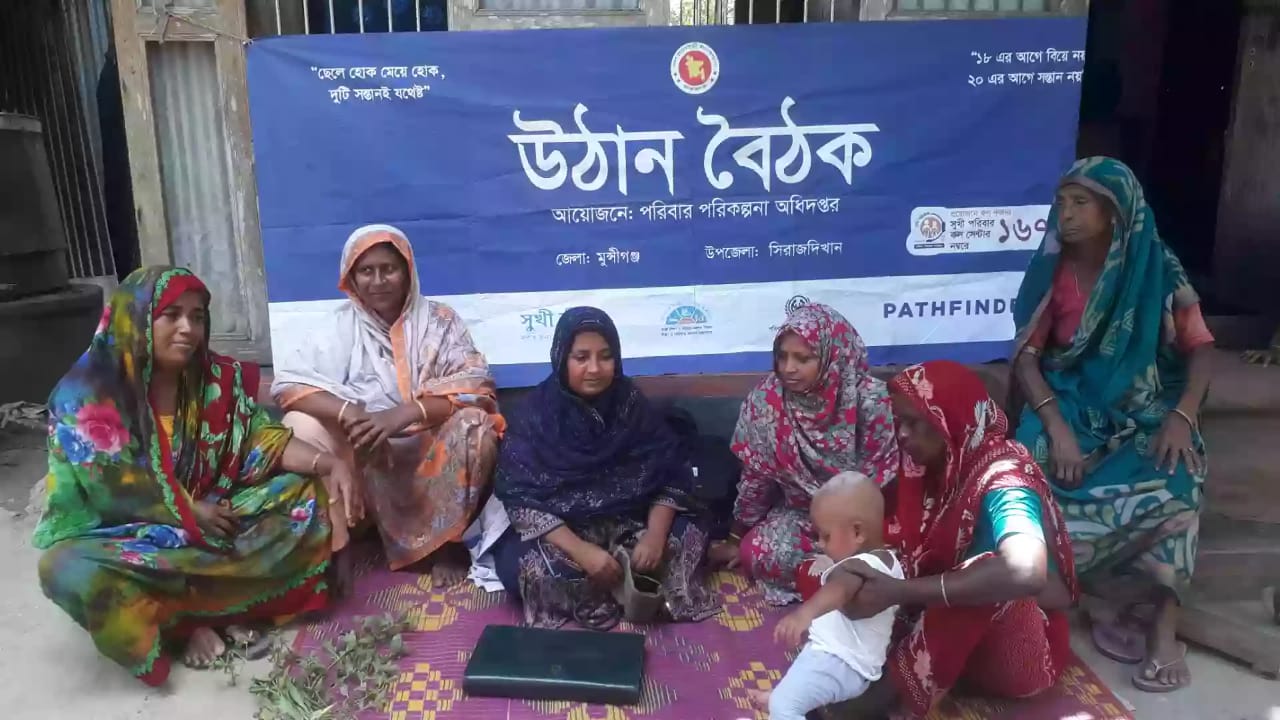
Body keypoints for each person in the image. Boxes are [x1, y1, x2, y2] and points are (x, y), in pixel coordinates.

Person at [34, 267, 360, 686]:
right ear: (135, 318)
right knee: (64, 567)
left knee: (303, 496)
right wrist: (189, 511)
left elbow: (259, 437)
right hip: (131, 534)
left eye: (198, 316)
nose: (188, 328)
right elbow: (112, 491)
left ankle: (215, 611)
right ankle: (179, 624)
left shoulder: (210, 378)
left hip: (212, 520)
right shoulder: (88, 391)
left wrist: (328, 463)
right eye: (171, 315)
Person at [1012, 157, 1212, 693]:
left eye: (1081, 203)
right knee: (1025, 469)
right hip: (1067, 399)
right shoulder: (1052, 268)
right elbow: (1026, 359)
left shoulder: (1156, 266)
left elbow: (1200, 348)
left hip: (1142, 406)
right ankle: (1091, 598)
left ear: (1116, 212)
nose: (1066, 215)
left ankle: (1163, 630)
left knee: (1180, 473)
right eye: (1062, 203)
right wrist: (1056, 427)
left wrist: (1181, 416)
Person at [833, 361, 1078, 719]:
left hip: (1018, 657)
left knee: (985, 579)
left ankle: (890, 699)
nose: (902, 434)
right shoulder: (929, 470)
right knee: (842, 565)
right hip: (948, 641)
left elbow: (1025, 571)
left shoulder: (1007, 476)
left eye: (914, 422)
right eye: (898, 421)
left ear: (950, 419)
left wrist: (898, 591)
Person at [272, 224, 502, 586]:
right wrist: (352, 414)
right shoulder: (338, 328)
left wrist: (401, 415)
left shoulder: (440, 323)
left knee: (476, 425)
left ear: (408, 271)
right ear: (350, 277)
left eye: (389, 269)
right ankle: (337, 540)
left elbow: (476, 388)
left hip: (427, 454)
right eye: (366, 271)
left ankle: (445, 545)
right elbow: (290, 386)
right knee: (300, 424)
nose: (378, 281)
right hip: (365, 456)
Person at [490, 307, 719, 629]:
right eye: (581, 357)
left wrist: (654, 537)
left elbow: (671, 475)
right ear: (561, 358)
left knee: (688, 534)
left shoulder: (631, 406)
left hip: (632, 524)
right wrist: (582, 552)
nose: (595, 369)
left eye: (605, 356)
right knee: (527, 568)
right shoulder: (536, 417)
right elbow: (521, 501)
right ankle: (625, 588)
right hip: (566, 531)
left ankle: (622, 585)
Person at [710, 303, 898, 605]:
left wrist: (851, 533)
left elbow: (883, 481)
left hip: (863, 522)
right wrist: (736, 537)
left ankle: (842, 580)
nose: (788, 368)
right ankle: (843, 584)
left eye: (803, 358)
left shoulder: (871, 402)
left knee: (897, 554)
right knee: (758, 552)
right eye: (782, 356)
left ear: (833, 357)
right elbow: (756, 481)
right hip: (804, 517)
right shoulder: (766, 401)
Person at [750, 472, 903, 720]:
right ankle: (784, 699)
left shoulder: (864, 567)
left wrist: (805, 614)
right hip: (838, 659)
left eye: (826, 536)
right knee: (795, 684)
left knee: (783, 707)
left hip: (841, 663)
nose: (820, 544)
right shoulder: (886, 561)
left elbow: (839, 589)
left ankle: (782, 706)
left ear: (857, 532)